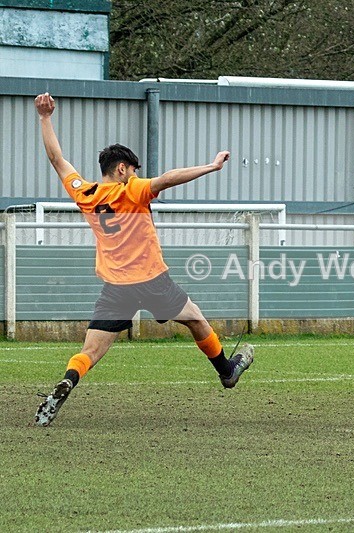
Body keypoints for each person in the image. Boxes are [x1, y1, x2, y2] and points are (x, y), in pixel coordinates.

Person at [33, 92, 254, 427]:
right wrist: (211, 166)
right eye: (133, 169)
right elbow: (167, 178)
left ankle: (68, 380)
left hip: (115, 288)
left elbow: (58, 160)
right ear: (122, 169)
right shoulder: (130, 190)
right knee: (196, 320)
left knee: (90, 351)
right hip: (152, 282)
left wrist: (45, 118)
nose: (136, 175)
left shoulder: (86, 194)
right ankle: (227, 372)